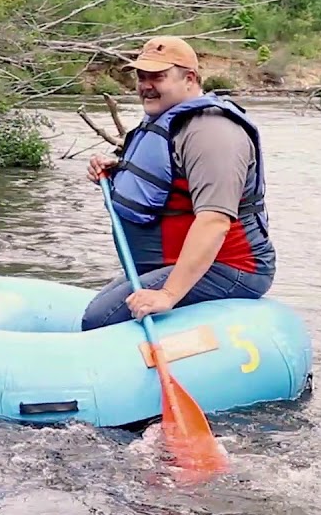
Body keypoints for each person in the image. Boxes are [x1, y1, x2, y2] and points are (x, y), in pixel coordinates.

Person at [82, 36, 275, 330]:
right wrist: (116, 172)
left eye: (157, 77)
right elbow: (165, 186)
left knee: (100, 319)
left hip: (231, 269)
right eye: (141, 76)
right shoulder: (169, 120)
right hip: (166, 265)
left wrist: (168, 294)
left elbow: (214, 221)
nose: (146, 85)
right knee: (99, 310)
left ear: (189, 78)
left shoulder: (212, 132)